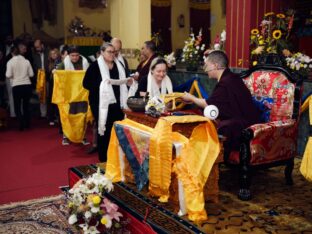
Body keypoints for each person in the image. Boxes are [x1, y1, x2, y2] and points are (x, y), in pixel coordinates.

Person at [181, 50, 260, 157]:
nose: (205, 69)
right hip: (243, 118)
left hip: (243, 124)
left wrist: (192, 98)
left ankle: (207, 159)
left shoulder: (226, 81)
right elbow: (220, 105)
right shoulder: (231, 78)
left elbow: (209, 104)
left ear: (216, 66)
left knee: (213, 126)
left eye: (207, 66)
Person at [83, 42, 131, 162]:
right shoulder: (95, 66)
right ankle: (104, 159)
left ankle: (117, 157)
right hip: (100, 104)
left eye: (113, 52)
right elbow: (86, 84)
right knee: (104, 130)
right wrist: (102, 85)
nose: (112, 54)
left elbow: (124, 80)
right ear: (102, 52)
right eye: (109, 52)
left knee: (117, 130)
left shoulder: (118, 64)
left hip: (118, 103)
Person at [56, 46, 89, 145]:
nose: (74, 58)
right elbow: (57, 74)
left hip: (82, 94)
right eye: (72, 55)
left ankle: (82, 136)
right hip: (69, 95)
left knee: (82, 115)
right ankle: (66, 136)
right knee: (69, 115)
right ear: (68, 55)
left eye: (76, 55)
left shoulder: (85, 63)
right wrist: (55, 72)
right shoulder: (64, 64)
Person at [6, 42, 34, 130]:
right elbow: (32, 74)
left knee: (17, 106)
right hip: (27, 85)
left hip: (16, 86)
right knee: (26, 105)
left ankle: (21, 124)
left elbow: (8, 75)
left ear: (12, 53)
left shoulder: (10, 62)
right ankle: (27, 124)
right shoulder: (26, 61)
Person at [32, 39, 49, 118]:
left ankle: (50, 113)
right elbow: (34, 66)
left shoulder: (48, 52)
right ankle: (43, 114)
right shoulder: (34, 54)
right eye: (36, 48)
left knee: (49, 95)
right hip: (39, 79)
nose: (37, 49)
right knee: (41, 96)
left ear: (42, 45)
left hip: (48, 78)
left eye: (38, 47)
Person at [47, 48, 61, 125]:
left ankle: (58, 118)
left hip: (58, 83)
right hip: (51, 83)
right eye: (52, 54)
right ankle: (51, 118)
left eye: (55, 53)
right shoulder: (49, 62)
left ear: (58, 54)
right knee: (51, 101)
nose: (53, 55)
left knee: (58, 102)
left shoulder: (60, 62)